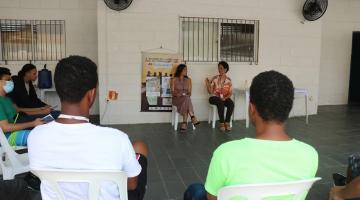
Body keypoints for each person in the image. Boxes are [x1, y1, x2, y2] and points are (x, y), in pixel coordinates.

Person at [28, 55, 148, 200]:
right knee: (140, 147)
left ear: (59, 91)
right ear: (91, 94)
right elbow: (131, 185)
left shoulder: (36, 136)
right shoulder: (117, 139)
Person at [185, 70, 318, 200]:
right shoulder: (310, 155)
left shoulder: (226, 153)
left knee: (195, 190)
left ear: (252, 109)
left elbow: (212, 197)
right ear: (288, 109)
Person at [0, 67, 44, 146]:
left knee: (45, 129)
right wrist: (33, 123)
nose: (11, 82)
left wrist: (40, 111)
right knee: (41, 137)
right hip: (7, 137)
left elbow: (18, 111)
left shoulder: (7, 99)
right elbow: (5, 127)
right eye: (7, 80)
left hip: (15, 130)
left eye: (11, 80)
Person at [205, 61, 234, 131]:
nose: (219, 70)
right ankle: (222, 123)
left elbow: (230, 93)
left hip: (224, 97)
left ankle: (227, 122)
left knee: (231, 103)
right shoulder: (215, 78)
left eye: (221, 68)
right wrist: (207, 85)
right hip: (213, 97)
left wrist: (225, 98)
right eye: (218, 68)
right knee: (220, 102)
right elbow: (210, 92)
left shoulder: (229, 80)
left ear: (225, 69)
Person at [171, 64, 199, 130]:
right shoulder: (174, 79)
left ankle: (185, 123)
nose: (186, 71)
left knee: (186, 98)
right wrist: (178, 94)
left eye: (186, 69)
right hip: (176, 99)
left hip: (185, 98)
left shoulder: (189, 80)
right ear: (180, 70)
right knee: (187, 100)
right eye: (185, 69)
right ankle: (192, 117)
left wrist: (186, 94)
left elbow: (190, 93)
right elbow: (172, 92)